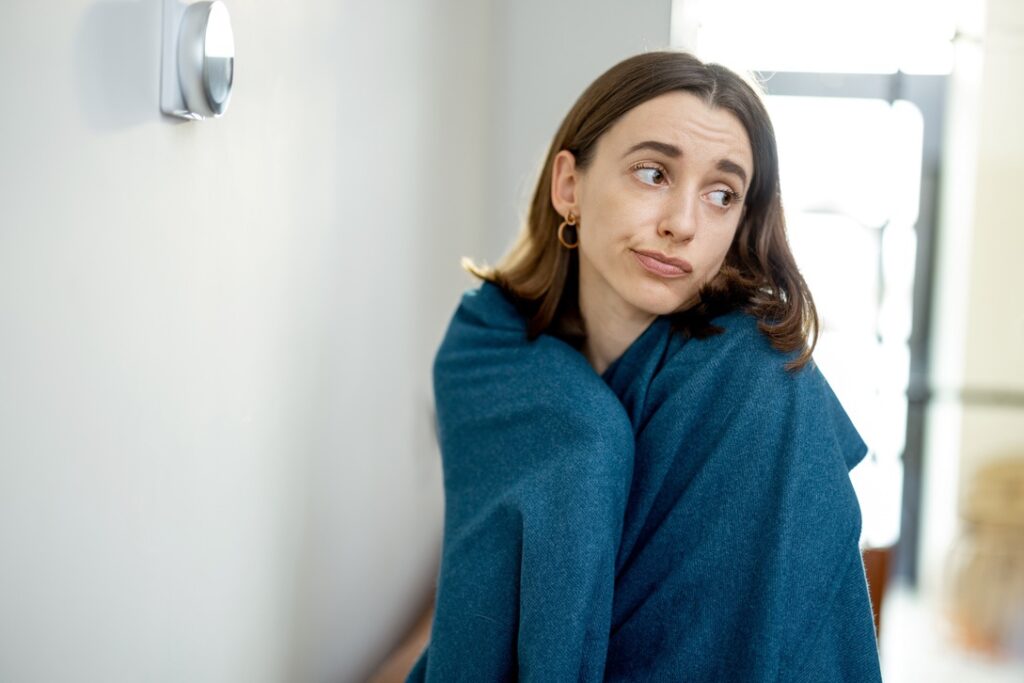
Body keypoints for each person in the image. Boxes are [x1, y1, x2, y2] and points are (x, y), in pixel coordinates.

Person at [372, 50, 882, 682]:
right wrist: (583, 435)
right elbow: (476, 589)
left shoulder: (758, 389)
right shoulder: (488, 352)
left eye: (722, 194)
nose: (683, 224)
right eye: (652, 173)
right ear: (570, 187)